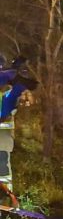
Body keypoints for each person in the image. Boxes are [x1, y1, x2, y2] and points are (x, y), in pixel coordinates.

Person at [0, 56, 37, 192]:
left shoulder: (9, 83)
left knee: (2, 162)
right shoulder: (10, 81)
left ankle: (6, 196)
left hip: (3, 131)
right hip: (4, 132)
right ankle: (6, 195)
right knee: (3, 162)